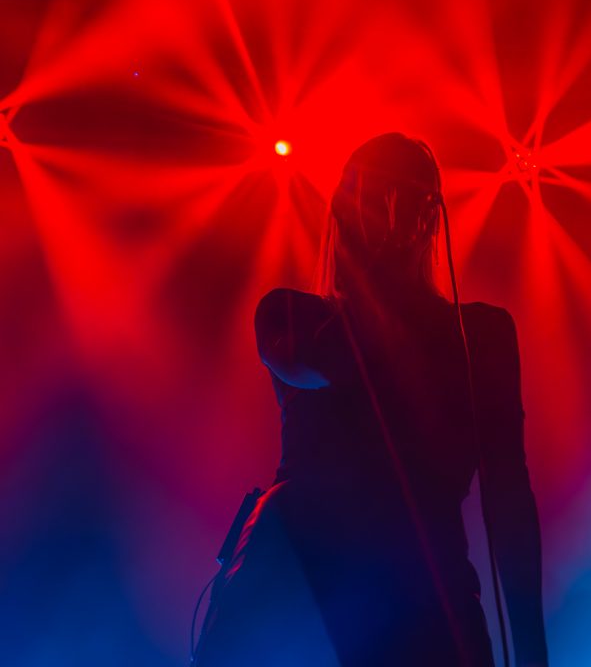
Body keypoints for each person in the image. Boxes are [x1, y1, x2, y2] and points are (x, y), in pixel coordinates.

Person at [196, 133, 548, 667]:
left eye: (403, 196)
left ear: (429, 216)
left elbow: (510, 500)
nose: (388, 211)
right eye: (372, 197)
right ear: (342, 211)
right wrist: (374, 269)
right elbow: (318, 364)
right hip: (298, 602)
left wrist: (533, 656)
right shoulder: (291, 315)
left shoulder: (482, 334)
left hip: (429, 608)